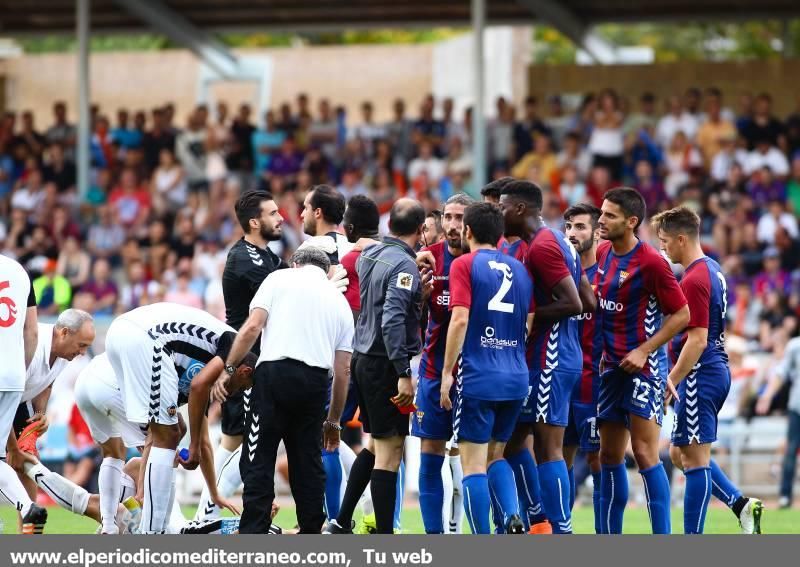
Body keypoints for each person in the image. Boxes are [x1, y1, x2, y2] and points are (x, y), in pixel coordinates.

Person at [212, 247, 354, 534]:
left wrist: (228, 370)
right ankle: (312, 531)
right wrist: (334, 421)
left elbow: (253, 327)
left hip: (274, 375)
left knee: (257, 456)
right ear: (327, 271)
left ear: (296, 263)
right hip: (315, 382)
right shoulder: (339, 302)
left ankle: (255, 530)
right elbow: (342, 371)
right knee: (308, 461)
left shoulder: (279, 279)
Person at [653, 206, 764, 535]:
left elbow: (697, 339)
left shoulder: (695, 278)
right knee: (678, 452)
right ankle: (740, 505)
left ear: (681, 239)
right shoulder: (712, 268)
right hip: (712, 370)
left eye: (665, 242)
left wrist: (672, 379)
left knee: (695, 460)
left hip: (700, 373)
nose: (663, 248)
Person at [104, 302, 253, 534]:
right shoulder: (235, 348)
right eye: (244, 387)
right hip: (145, 337)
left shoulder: (201, 369)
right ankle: (152, 532)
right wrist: (192, 446)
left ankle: (130, 519)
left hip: (125, 336)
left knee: (170, 429)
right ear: (245, 371)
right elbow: (198, 385)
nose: (236, 393)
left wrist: (214, 494)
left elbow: (200, 440)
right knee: (170, 434)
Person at [595, 187, 690, 534]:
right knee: (608, 457)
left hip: (643, 370)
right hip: (609, 370)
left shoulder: (651, 262)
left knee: (645, 452)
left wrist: (645, 351)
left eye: (609, 215)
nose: (601, 220)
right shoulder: (602, 252)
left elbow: (681, 314)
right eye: (601, 213)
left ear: (631, 221)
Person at [332, 198, 428, 535]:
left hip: (362, 357)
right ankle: (386, 538)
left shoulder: (370, 256)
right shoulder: (405, 266)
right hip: (385, 363)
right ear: (421, 229)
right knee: (391, 453)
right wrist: (403, 372)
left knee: (373, 447)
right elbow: (392, 320)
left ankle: (341, 522)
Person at [504, 180, 593, 535]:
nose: (499, 213)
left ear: (521, 209)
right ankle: (540, 519)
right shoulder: (556, 240)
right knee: (511, 442)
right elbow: (589, 300)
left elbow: (573, 303)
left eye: (503, 207)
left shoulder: (542, 246)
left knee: (549, 448)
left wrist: (526, 318)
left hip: (551, 358)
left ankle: (560, 530)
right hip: (553, 356)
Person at [439, 202, 533, 534]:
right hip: (516, 377)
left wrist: (447, 372)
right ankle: (510, 514)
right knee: (497, 456)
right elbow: (528, 321)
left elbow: (460, 317)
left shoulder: (464, 264)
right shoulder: (520, 270)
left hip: (479, 377)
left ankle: (480, 540)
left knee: (473, 465)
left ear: (468, 231)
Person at [197, 191, 286, 523]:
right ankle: (206, 516)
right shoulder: (243, 259)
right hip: (246, 362)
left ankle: (206, 516)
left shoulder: (268, 256)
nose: (281, 218)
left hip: (256, 360)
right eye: (273, 213)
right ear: (254, 221)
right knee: (248, 443)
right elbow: (284, 295)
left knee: (234, 441)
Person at [413, 193, 472, 534]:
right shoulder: (428, 261)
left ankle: (461, 533)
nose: (452, 225)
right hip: (435, 373)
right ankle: (434, 538)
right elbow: (412, 320)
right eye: (448, 217)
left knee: (475, 459)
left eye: (460, 218)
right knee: (430, 455)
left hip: (474, 375)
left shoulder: (483, 259)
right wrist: (418, 298)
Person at [562, 203, 603, 532]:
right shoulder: (559, 273)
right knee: (557, 458)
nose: (572, 233)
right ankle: (563, 529)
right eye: (569, 227)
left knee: (598, 460)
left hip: (597, 385)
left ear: (596, 232)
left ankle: (605, 534)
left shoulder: (607, 273)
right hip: (564, 380)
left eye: (580, 227)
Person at [0, 254, 46, 534]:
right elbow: (32, 333)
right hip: (13, 373)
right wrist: (21, 371)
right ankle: (26, 505)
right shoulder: (18, 270)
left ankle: (24, 504)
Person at [758, 330, 800, 510]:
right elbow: (781, 373)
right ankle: (785, 495)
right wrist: (767, 396)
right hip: (797, 406)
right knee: (790, 450)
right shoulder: (795, 346)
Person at [301, 184, 353, 264]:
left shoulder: (308, 250)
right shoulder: (352, 248)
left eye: (306, 208)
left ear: (318, 212)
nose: (302, 214)